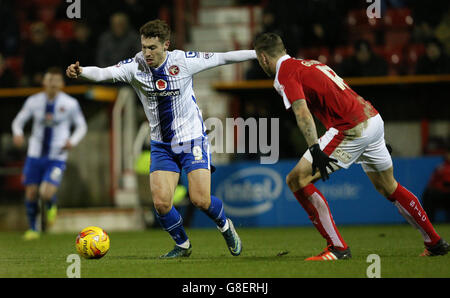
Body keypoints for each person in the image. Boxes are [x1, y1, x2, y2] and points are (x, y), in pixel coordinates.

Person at [66, 19, 257, 258]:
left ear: (166, 45)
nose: (146, 52)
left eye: (152, 48)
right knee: (161, 203)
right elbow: (104, 73)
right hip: (161, 145)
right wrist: (82, 72)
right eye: (144, 46)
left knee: (200, 200)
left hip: (192, 141)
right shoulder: (134, 66)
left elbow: (223, 57)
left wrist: (255, 53)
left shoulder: (184, 61)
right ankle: (183, 245)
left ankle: (226, 226)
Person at [253, 32, 449, 260]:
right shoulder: (310, 63)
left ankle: (337, 248)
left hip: (350, 127)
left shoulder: (285, 73)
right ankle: (435, 242)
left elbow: (302, 112)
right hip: (371, 118)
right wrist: (371, 135)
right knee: (389, 186)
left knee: (296, 179)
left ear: (264, 58)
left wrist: (315, 149)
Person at [12, 67, 87, 240]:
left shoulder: (70, 104)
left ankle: (51, 204)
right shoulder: (34, 101)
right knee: (31, 192)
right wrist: (18, 133)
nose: (52, 84)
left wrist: (72, 141)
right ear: (44, 82)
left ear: (61, 83)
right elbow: (18, 121)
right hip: (35, 154)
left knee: (45, 193)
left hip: (57, 155)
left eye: (56, 81)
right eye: (49, 80)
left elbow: (82, 126)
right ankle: (33, 229)